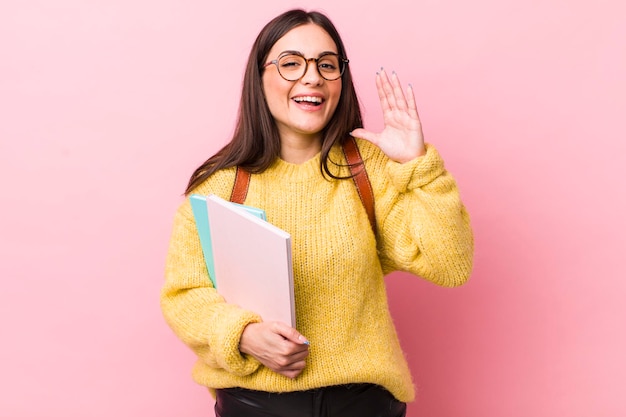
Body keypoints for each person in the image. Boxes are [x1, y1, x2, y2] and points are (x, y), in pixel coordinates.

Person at [161, 8, 474, 417]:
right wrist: (241, 334)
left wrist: (418, 166)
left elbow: (450, 265)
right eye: (291, 63)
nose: (312, 77)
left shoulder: (369, 170)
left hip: (364, 405)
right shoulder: (219, 188)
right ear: (259, 78)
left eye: (327, 65)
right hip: (256, 406)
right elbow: (184, 296)